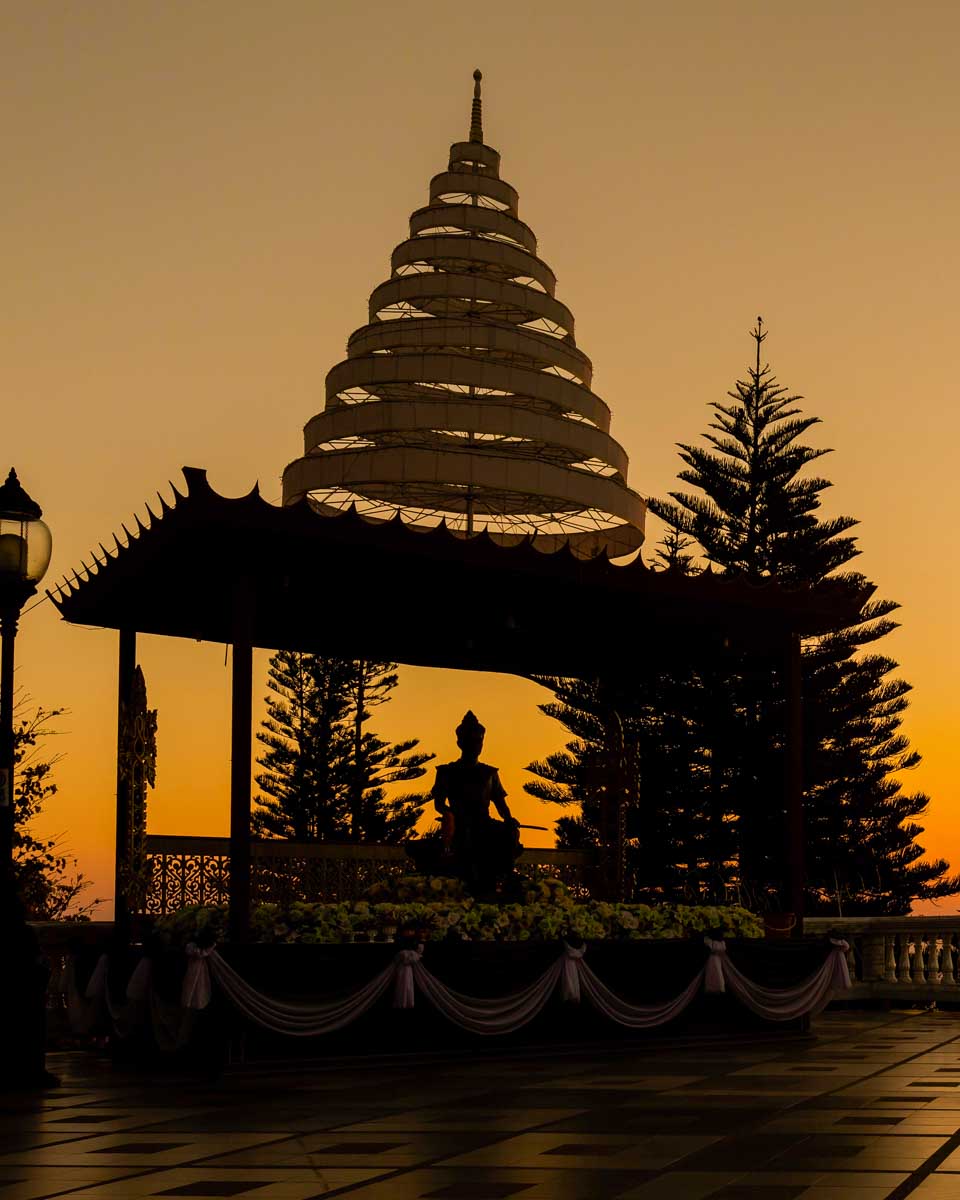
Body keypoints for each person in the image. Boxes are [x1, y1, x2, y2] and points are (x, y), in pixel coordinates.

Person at [431, 711, 521, 895]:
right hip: (459, 822)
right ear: (460, 743)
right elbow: (439, 803)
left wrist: (509, 819)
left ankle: (504, 879)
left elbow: (501, 804)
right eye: (470, 741)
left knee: (510, 833)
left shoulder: (489, 773)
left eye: (478, 741)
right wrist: (448, 815)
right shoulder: (447, 771)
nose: (475, 745)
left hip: (483, 821)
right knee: (466, 841)